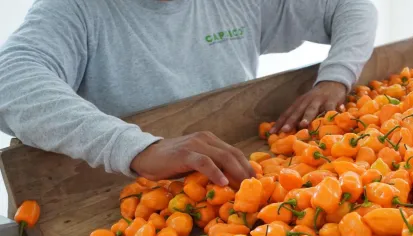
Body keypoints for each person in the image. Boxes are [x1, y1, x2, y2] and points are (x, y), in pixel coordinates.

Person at [0, 0, 377, 186]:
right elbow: (12, 79)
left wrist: (336, 77)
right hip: (123, 205)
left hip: (237, 188)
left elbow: (350, 6)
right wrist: (136, 149)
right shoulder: (74, 10)